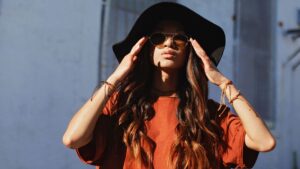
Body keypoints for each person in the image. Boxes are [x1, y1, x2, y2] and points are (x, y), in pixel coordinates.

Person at [62, 2, 276, 169]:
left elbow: (264, 142)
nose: (169, 43)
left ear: (189, 51)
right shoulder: (121, 108)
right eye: (159, 37)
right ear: (146, 48)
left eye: (180, 38)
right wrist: (116, 77)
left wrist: (222, 82)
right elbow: (73, 138)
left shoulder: (209, 114)